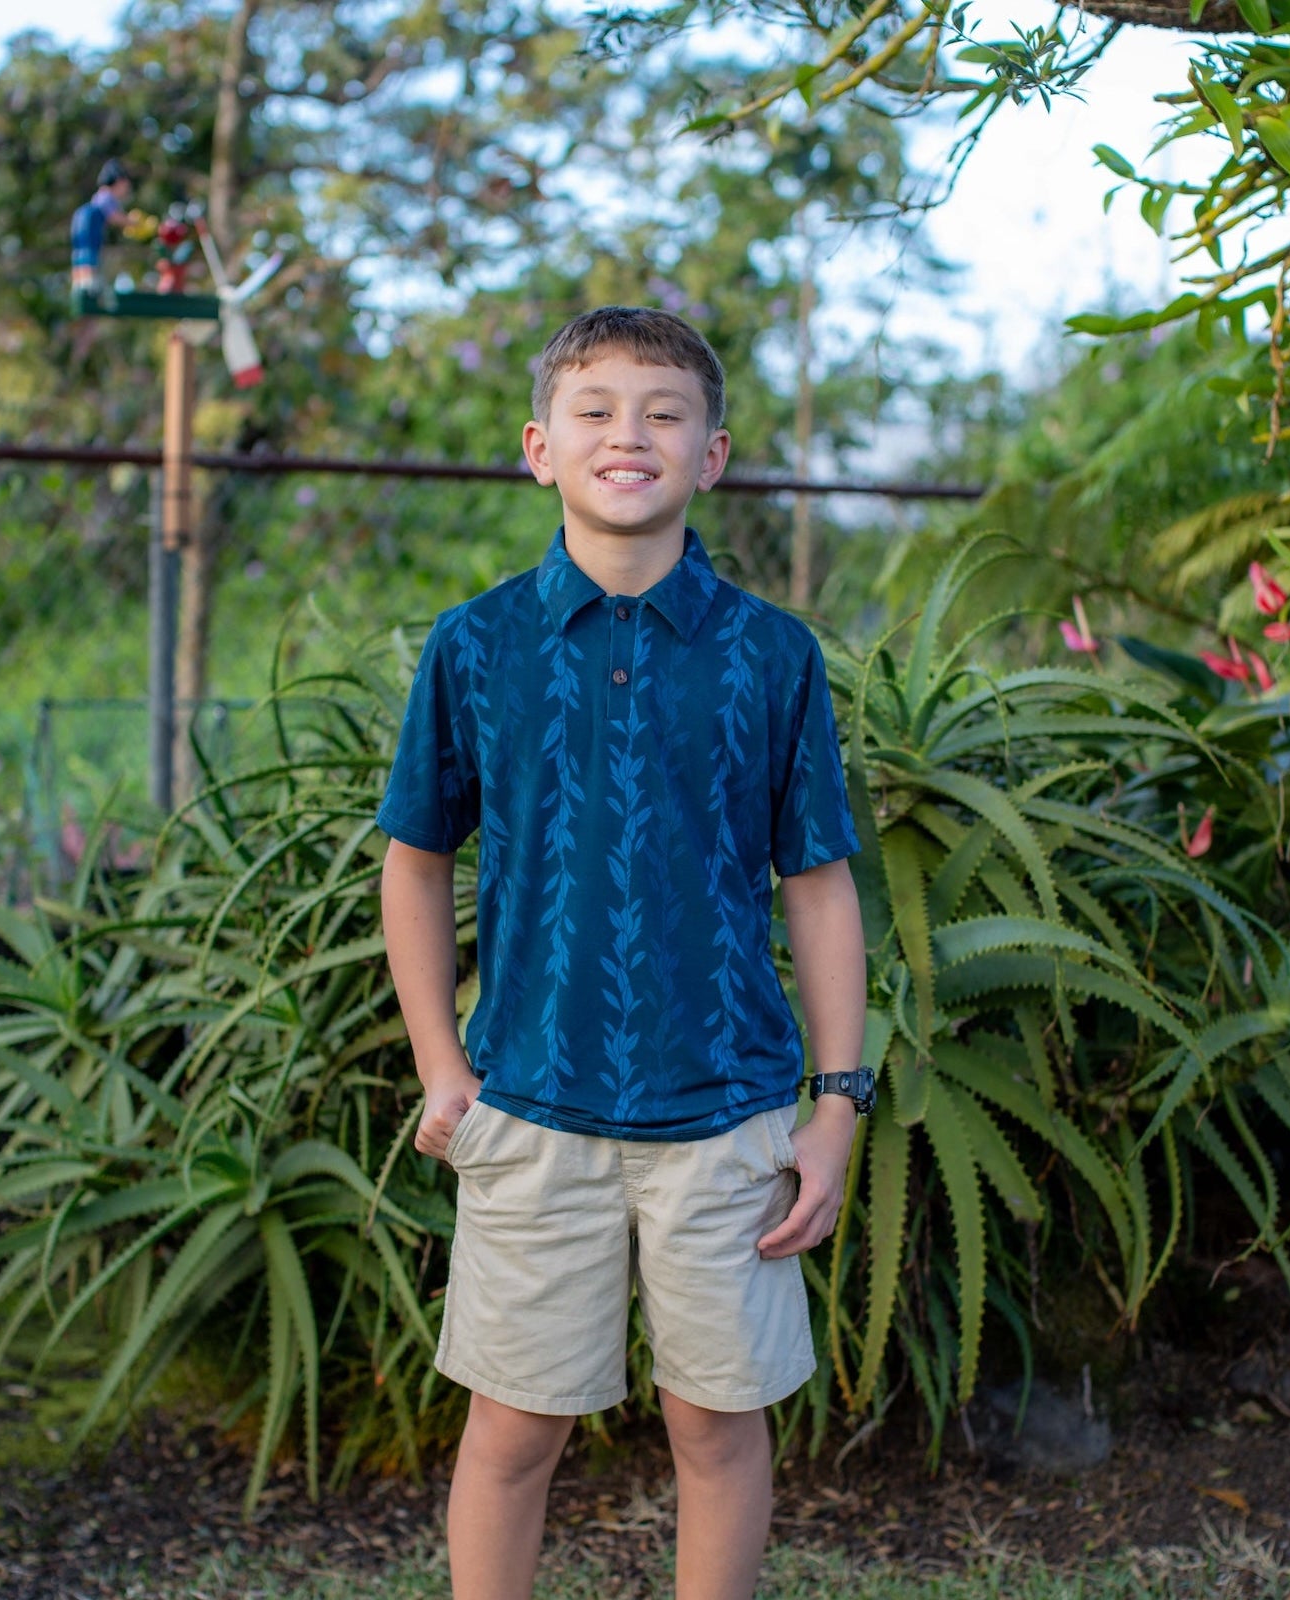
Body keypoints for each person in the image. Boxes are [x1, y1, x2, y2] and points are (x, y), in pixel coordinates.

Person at [377, 305, 870, 1600]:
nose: (629, 434)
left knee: (717, 1428)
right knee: (513, 1431)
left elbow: (818, 887)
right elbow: (414, 860)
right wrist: (442, 1064)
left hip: (729, 1115)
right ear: (541, 447)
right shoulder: (476, 646)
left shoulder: (772, 655)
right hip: (531, 1107)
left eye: (664, 411)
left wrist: (838, 1105)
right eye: (595, 410)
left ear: (713, 453)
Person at [69, 159, 136, 291]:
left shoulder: (99, 196)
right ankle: (88, 285)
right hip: (90, 226)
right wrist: (131, 222)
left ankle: (80, 285)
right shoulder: (107, 197)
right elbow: (113, 216)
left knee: (81, 254)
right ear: (118, 182)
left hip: (79, 224)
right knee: (89, 254)